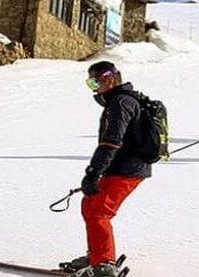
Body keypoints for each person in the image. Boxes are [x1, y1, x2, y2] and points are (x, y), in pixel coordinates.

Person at [60, 61, 151, 277]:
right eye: (89, 83)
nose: (93, 88)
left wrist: (93, 172)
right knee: (90, 204)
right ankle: (97, 255)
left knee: (99, 211)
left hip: (127, 168)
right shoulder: (120, 101)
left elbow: (111, 142)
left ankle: (103, 265)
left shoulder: (120, 103)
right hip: (121, 166)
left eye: (95, 81)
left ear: (110, 78)